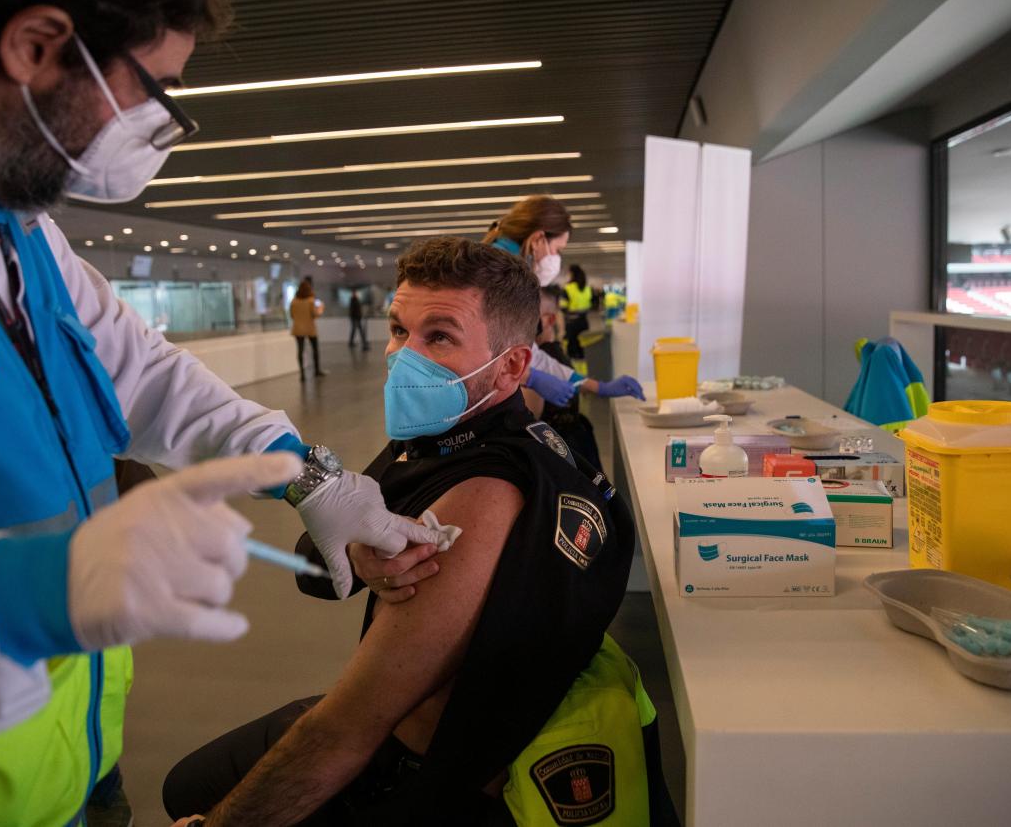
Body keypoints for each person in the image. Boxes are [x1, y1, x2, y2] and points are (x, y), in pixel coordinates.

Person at [0, 2, 443, 823]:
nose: (155, 127)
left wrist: (307, 474)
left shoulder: (12, 223)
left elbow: (138, 370)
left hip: (73, 768)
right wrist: (25, 598)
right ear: (35, 46)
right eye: (155, 89)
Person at [163, 237, 677, 827]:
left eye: (438, 336)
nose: (403, 356)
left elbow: (350, 729)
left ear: (511, 366)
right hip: (453, 733)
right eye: (399, 330)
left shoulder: (482, 494)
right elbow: (322, 557)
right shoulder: (455, 441)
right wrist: (358, 555)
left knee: (192, 793)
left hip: (429, 779)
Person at [484, 195, 644, 407]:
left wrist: (595, 386)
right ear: (539, 239)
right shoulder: (499, 274)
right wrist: (531, 378)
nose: (557, 258)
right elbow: (482, 354)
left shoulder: (507, 270)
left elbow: (528, 353)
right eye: (558, 249)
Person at [535, 287, 604, 470]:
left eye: (532, 314)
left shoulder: (548, 354)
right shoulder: (547, 353)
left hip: (561, 446)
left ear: (549, 319)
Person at [289, 279, 326, 379]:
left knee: (300, 351)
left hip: (298, 328)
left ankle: (302, 374)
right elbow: (315, 314)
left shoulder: (294, 301)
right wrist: (321, 308)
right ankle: (317, 370)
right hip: (310, 328)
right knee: (315, 349)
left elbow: (291, 315)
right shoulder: (310, 301)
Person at [561, 263, 594, 370]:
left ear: (572, 274)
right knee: (584, 350)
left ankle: (576, 377)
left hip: (572, 324)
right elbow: (591, 304)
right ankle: (585, 375)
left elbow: (563, 306)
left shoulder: (568, 288)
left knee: (573, 352)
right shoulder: (587, 288)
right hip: (584, 322)